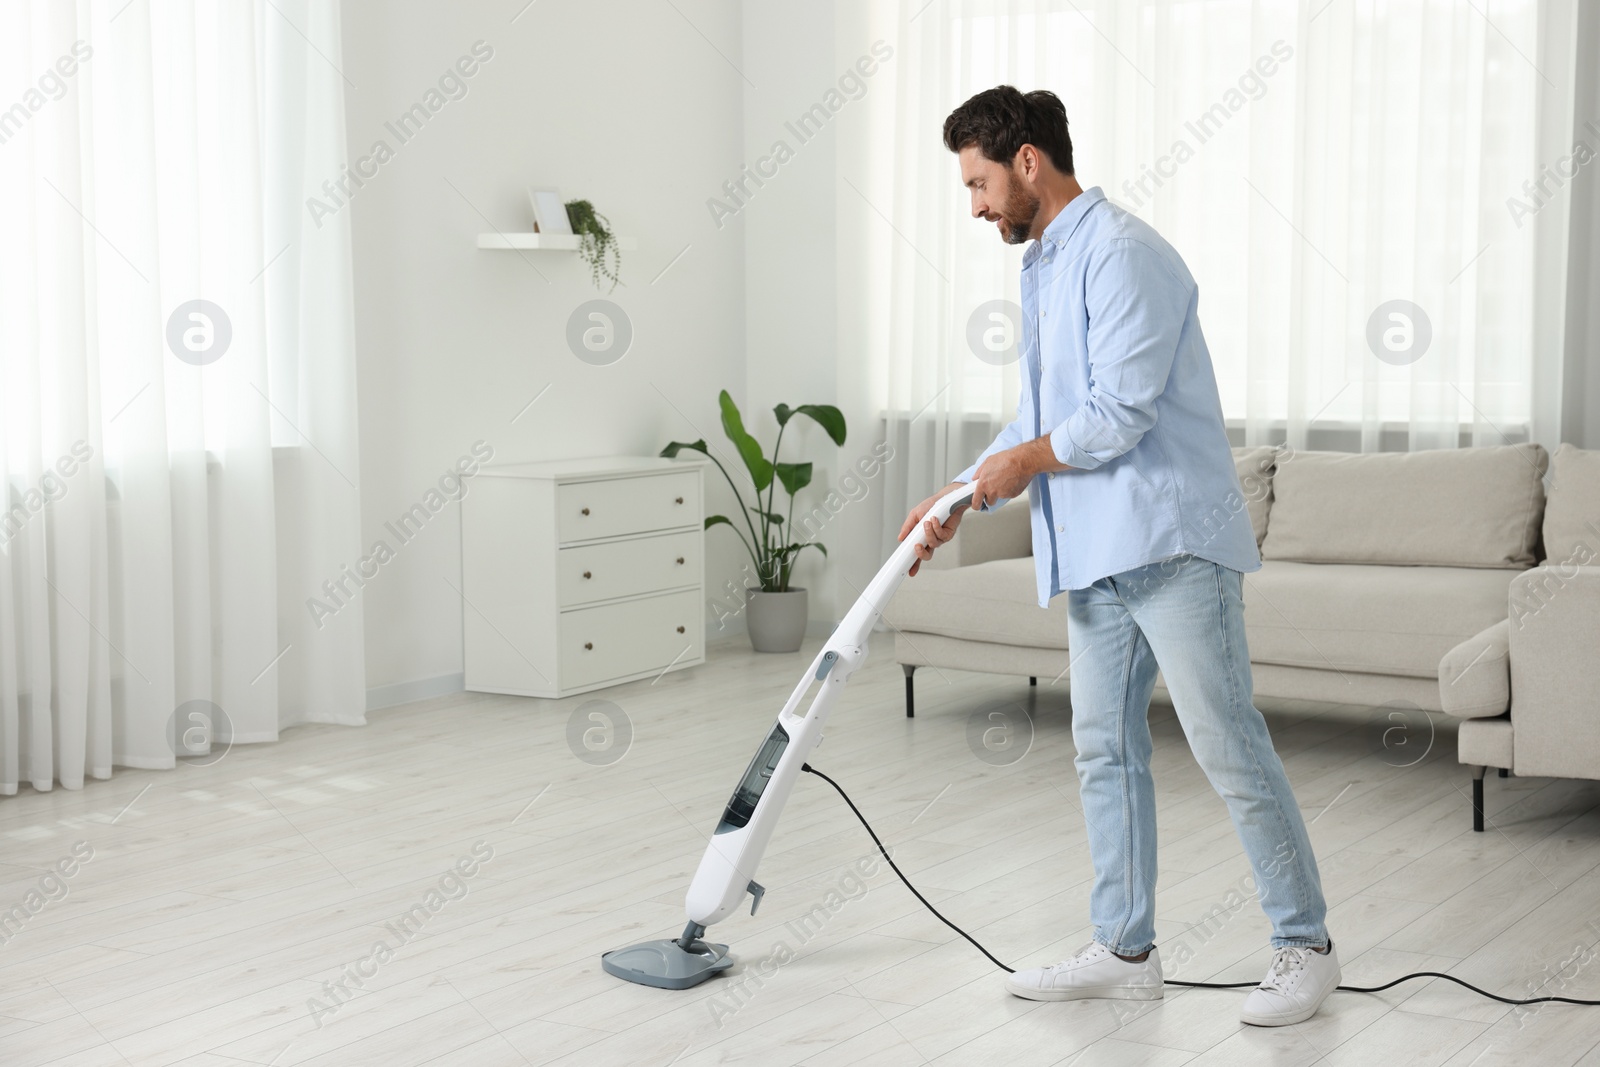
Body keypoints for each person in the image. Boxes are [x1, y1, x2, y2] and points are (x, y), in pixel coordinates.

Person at [900, 85, 1338, 1028]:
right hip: (1099, 554)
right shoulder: (1046, 265)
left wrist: (1022, 461)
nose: (974, 206)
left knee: (1227, 744)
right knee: (1104, 750)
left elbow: (1118, 412)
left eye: (978, 183)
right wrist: (950, 498)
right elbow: (1038, 418)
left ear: (1027, 163)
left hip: (1171, 545)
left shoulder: (1126, 252)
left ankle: (1304, 946)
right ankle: (1125, 948)